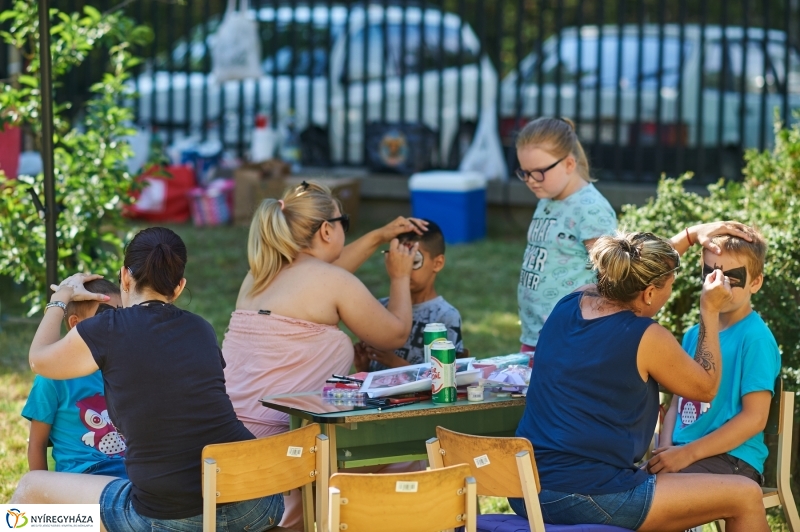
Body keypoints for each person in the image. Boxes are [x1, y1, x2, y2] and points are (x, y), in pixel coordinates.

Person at [12, 227, 283, 532]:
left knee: (31, 487)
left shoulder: (108, 329)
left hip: (170, 514)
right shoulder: (201, 329)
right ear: (179, 287)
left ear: (124, 277)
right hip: (259, 500)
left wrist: (62, 294)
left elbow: (39, 359)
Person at [510, 223, 769, 532]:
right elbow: (706, 386)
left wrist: (688, 235)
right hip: (587, 493)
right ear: (648, 293)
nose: (668, 294)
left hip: (524, 487)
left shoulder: (570, 303)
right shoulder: (646, 336)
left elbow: (629, 270)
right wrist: (708, 312)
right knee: (746, 494)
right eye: (668, 287)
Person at [221, 181, 423, 530]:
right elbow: (394, 334)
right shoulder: (331, 282)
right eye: (344, 221)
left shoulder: (258, 275)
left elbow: (327, 270)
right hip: (282, 452)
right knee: (410, 453)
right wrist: (399, 277)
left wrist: (377, 237)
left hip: (227, 442)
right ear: (327, 230)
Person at [649, 225, 780, 486]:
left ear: (755, 282)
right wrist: (665, 447)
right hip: (682, 453)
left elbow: (754, 418)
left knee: (655, 496)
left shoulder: (756, 338)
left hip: (732, 460)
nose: (719, 284)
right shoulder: (693, 335)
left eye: (731, 276)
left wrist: (686, 454)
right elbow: (678, 401)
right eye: (710, 273)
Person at [515, 117, 617, 354]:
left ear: (569, 164)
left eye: (538, 172)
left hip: (569, 338)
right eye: (525, 172)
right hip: (535, 334)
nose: (530, 181)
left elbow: (609, 276)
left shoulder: (590, 209)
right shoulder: (547, 197)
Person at [22, 279, 127, 478]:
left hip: (130, 474)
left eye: (121, 317)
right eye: (106, 317)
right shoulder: (51, 378)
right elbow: (37, 444)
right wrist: (42, 492)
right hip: (83, 476)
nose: (115, 327)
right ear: (75, 325)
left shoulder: (125, 369)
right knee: (20, 508)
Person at [353, 219, 464, 371]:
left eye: (414, 261)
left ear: (437, 263)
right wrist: (363, 366)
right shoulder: (381, 307)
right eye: (398, 260)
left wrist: (395, 363)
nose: (403, 269)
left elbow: (447, 375)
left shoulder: (445, 316)